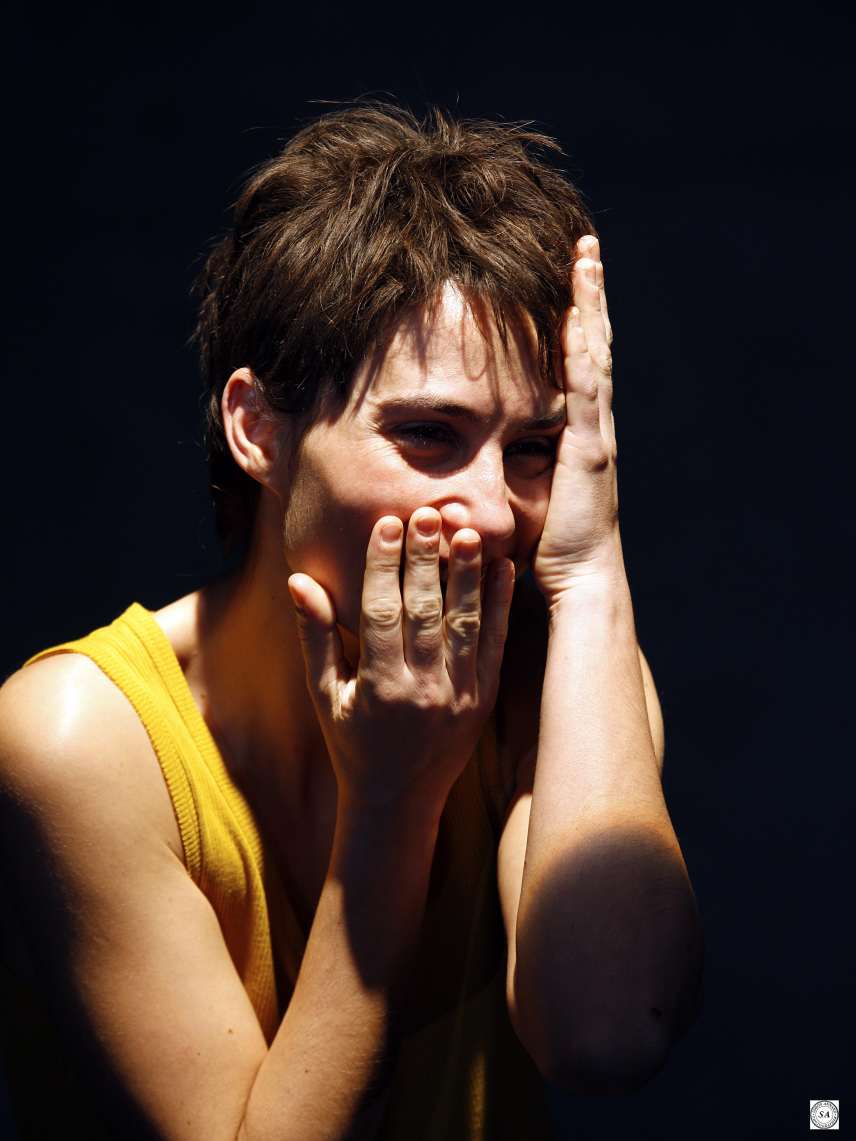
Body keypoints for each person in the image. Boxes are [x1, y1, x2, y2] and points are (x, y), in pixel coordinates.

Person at [0, 101, 704, 1140]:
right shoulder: (82, 739)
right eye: (427, 434)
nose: (491, 510)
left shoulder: (557, 671)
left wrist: (593, 571)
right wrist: (392, 807)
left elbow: (606, 1035)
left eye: (532, 449)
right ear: (256, 427)